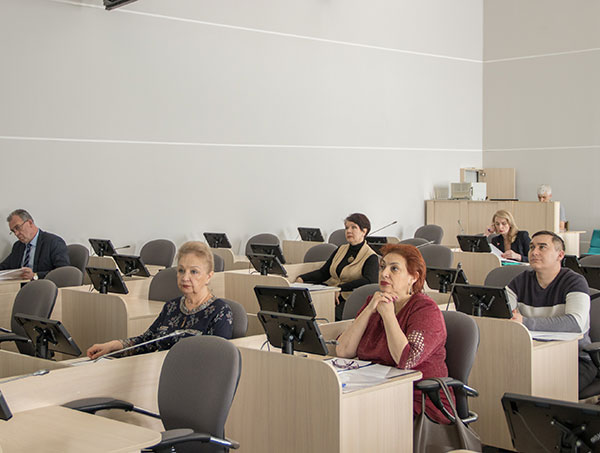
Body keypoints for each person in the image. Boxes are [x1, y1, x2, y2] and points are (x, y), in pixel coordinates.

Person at [336, 244, 453, 423]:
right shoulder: (373, 301)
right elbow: (343, 351)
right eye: (382, 267)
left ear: (413, 277)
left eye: (394, 269)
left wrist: (388, 315)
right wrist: (369, 310)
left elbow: (406, 360)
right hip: (375, 390)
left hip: (419, 400)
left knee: (350, 416)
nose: (384, 273)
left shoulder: (425, 309)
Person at [87, 241, 233, 359]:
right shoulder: (172, 306)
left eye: (194, 271)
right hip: (159, 371)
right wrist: (113, 346)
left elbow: (216, 359)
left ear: (209, 276)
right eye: (181, 270)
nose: (185, 277)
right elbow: (147, 341)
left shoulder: (220, 311)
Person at [507, 231, 594, 392]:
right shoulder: (520, 281)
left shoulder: (575, 281)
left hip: (574, 358)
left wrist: (525, 322)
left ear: (560, 255)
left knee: (543, 390)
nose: (534, 252)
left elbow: (575, 323)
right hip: (533, 354)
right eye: (532, 247)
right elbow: (505, 314)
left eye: (542, 247)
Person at [296, 213, 378, 321]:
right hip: (331, 292)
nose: (348, 231)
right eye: (347, 228)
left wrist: (341, 288)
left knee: (326, 315)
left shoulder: (371, 256)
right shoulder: (341, 249)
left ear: (364, 231)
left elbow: (369, 281)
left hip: (349, 298)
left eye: (353, 227)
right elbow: (324, 273)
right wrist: (302, 278)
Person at [0, 209, 70, 280]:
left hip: (42, 285)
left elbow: (63, 272)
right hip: (19, 285)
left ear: (30, 223)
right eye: (13, 231)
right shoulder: (18, 246)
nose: (16, 233)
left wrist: (35, 275)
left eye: (17, 228)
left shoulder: (53, 242)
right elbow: (5, 267)